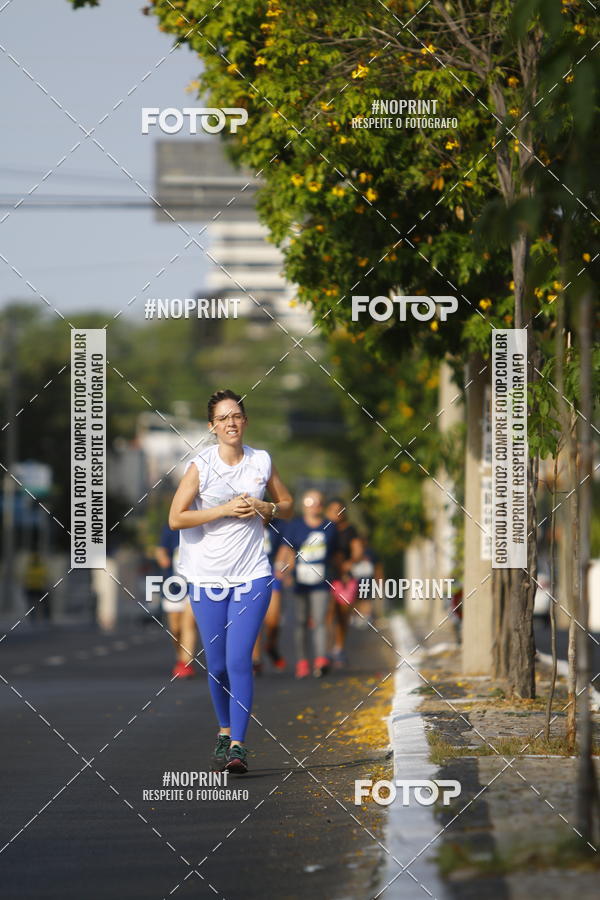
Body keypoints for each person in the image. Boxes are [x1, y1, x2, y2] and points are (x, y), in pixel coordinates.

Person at [169, 389, 293, 774]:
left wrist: (266, 507)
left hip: (252, 574)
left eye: (236, 416)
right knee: (218, 666)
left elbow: (287, 505)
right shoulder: (200, 466)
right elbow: (176, 517)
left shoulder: (261, 461)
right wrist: (223, 509)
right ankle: (224, 730)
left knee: (240, 660)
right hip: (206, 577)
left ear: (245, 421)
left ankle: (238, 746)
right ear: (212, 427)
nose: (231, 423)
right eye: (223, 418)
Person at [276, 490, 338, 679]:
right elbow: (286, 550)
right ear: (303, 506)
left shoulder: (330, 527)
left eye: (317, 502)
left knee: (320, 620)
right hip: (299, 582)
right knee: (301, 621)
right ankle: (302, 662)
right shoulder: (295, 526)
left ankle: (320, 659)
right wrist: (282, 568)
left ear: (322, 505)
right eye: (310, 502)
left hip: (321, 582)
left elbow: (336, 554)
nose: (314, 506)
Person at [155, 523, 197, 679]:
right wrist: (162, 558)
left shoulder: (203, 523)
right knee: (175, 628)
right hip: (173, 586)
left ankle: (186, 663)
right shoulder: (172, 527)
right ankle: (181, 656)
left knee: (189, 623)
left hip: (195, 584)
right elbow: (160, 549)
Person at [325, 498, 364, 668]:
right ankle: (326, 649)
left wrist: (349, 563)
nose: (337, 514)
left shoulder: (350, 530)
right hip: (325, 575)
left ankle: (339, 648)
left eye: (340, 510)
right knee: (327, 614)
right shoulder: (323, 528)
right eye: (333, 510)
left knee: (342, 614)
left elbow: (358, 551)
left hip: (344, 577)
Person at [252, 518, 287, 674]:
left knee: (273, 619)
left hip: (271, 573)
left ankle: (271, 645)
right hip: (249, 574)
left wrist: (282, 566)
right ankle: (255, 659)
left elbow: (286, 549)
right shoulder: (243, 524)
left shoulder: (278, 526)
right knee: (253, 618)